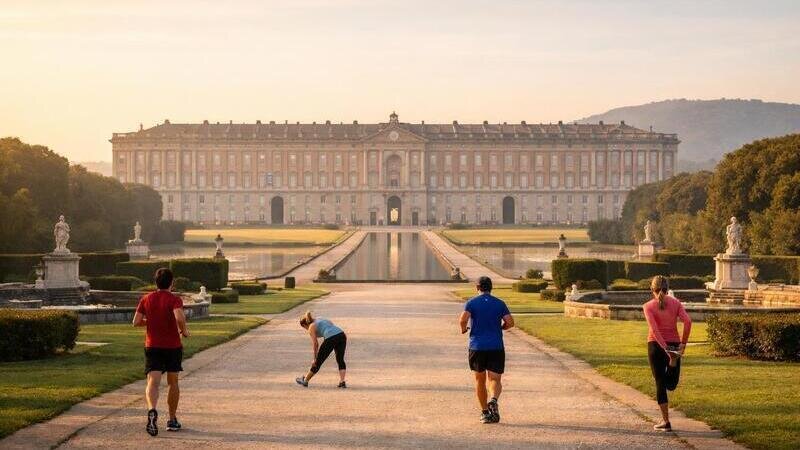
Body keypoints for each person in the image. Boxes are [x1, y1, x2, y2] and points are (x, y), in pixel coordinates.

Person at [133, 268, 190, 437]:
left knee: (153, 381)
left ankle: (152, 410)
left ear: (155, 282)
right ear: (171, 283)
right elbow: (179, 317)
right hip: (172, 346)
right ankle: (172, 420)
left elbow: (135, 322)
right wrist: (184, 331)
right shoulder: (174, 299)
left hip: (153, 345)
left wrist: (150, 321)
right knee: (173, 382)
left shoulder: (146, 298)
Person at [459, 276, 514, 424]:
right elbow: (510, 322)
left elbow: (463, 320)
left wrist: (464, 329)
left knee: (480, 380)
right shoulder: (499, 303)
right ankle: (494, 400)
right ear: (491, 288)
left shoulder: (472, 303)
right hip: (496, 346)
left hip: (477, 346)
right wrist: (502, 327)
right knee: (495, 379)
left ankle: (484, 412)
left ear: (477, 288)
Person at [643, 275, 692, 432]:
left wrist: (664, 347)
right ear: (667, 288)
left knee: (660, 383)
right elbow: (688, 322)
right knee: (671, 384)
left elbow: (654, 329)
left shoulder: (648, 306)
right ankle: (672, 361)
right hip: (674, 345)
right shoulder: (676, 303)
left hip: (656, 346)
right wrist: (682, 345)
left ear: (652, 289)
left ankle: (666, 422)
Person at [295, 311, 347, 388]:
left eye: (304, 328)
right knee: (340, 359)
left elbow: (315, 344)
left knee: (318, 361)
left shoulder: (311, 327)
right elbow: (330, 325)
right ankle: (342, 382)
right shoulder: (320, 318)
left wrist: (315, 358)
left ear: (304, 325)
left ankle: (305, 380)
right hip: (341, 335)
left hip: (331, 338)